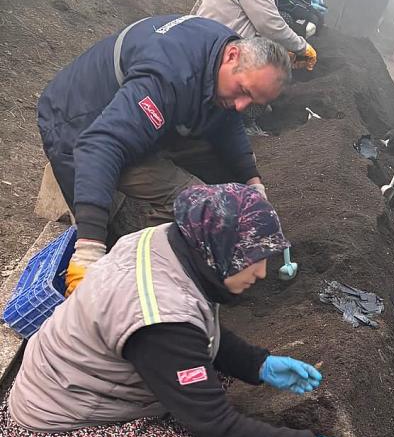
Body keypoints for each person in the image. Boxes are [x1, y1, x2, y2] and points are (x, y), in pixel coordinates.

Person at [0, 185, 369, 437]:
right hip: (56, 432)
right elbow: (216, 426)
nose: (261, 272)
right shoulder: (161, 320)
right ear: (216, 253)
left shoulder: (168, 243)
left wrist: (257, 364)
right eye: (251, 260)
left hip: (75, 384)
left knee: (215, 378)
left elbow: (197, 328)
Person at [37, 15, 289, 291]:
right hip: (81, 123)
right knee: (197, 204)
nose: (242, 105)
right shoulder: (170, 74)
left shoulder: (223, 53)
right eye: (243, 91)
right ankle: (140, 267)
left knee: (224, 184)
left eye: (253, 100)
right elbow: (101, 144)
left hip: (130, 118)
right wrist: (89, 248)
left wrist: (252, 182)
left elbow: (226, 122)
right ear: (232, 56)